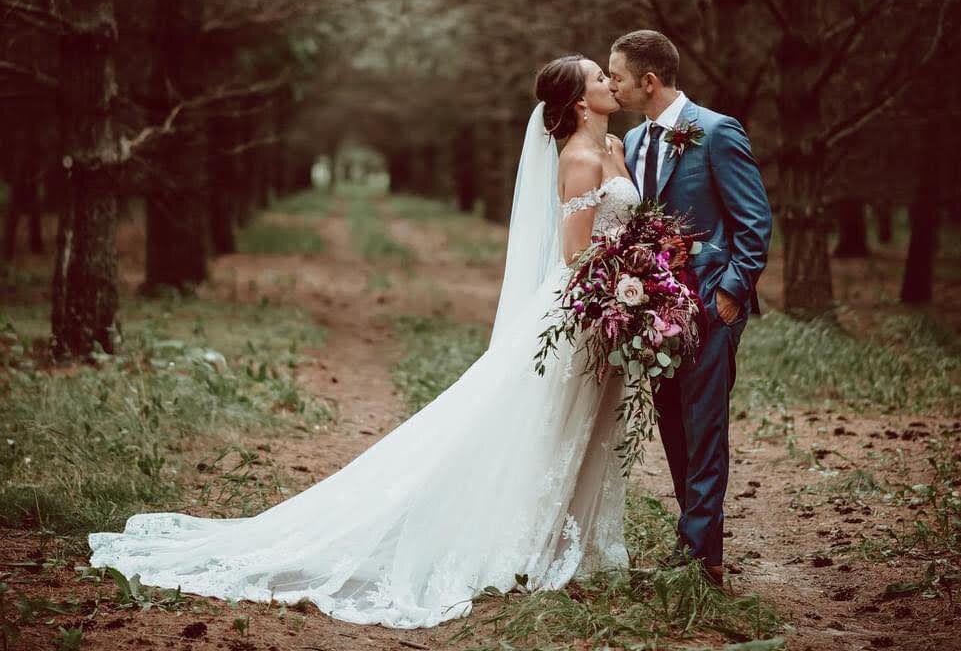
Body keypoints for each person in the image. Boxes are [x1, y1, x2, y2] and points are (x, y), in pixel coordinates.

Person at [88, 55, 641, 630]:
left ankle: (570, 544)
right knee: (543, 423)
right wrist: (632, 277)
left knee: (585, 422)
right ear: (579, 101)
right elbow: (575, 255)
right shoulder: (578, 159)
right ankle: (523, 544)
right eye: (599, 76)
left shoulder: (615, 150)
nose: (608, 80)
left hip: (612, 301)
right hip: (584, 303)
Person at [608, 29, 772, 589]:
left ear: (648, 81)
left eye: (618, 76)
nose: (611, 85)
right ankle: (693, 544)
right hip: (655, 312)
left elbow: (753, 220)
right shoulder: (631, 144)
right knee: (675, 424)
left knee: (705, 428)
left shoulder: (716, 131)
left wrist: (731, 291)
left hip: (708, 302)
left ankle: (704, 558)